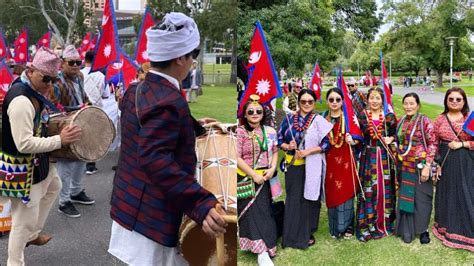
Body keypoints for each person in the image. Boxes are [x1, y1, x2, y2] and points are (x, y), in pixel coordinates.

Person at [108, 12, 227, 265]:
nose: (193, 62)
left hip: (131, 207)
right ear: (180, 58)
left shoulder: (135, 89)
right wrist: (201, 203)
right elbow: (154, 158)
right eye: (193, 55)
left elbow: (147, 128)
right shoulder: (169, 102)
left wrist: (191, 125)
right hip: (150, 217)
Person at [1, 47, 81, 265]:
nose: (49, 84)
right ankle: (14, 261)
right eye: (45, 78)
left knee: (54, 186)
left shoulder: (35, 92)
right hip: (23, 167)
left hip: (40, 162)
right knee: (21, 221)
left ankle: (33, 234)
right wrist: (60, 141)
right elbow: (24, 144)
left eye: (54, 80)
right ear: (31, 70)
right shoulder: (21, 101)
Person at [278, 89, 332, 249]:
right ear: (299, 102)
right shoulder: (288, 120)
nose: (307, 104)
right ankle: (291, 235)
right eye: (303, 101)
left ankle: (308, 231)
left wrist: (308, 151)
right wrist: (287, 145)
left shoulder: (319, 120)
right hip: (293, 166)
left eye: (310, 101)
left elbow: (326, 144)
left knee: (310, 199)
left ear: (314, 103)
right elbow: (279, 139)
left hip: (313, 166)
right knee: (294, 199)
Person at [50, 45, 94, 218]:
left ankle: (76, 192)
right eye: (72, 62)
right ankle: (64, 201)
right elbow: (53, 108)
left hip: (81, 122)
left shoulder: (80, 76)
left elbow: (83, 96)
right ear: (62, 64)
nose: (76, 65)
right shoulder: (56, 81)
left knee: (82, 159)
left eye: (78, 62)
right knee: (66, 166)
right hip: (65, 126)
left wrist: (89, 106)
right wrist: (73, 112)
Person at [237, 94, 278, 266]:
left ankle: (267, 247)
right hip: (245, 177)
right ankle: (260, 251)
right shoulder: (239, 132)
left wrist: (272, 169)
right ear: (245, 114)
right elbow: (236, 156)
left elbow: (275, 152)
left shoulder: (269, 131)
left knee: (264, 212)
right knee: (250, 213)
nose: (255, 114)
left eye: (258, 111)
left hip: (265, 178)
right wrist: (253, 175)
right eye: (251, 111)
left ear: (263, 113)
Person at [432, 87, 473, 252]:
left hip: (466, 162)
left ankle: (466, 231)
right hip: (446, 162)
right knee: (447, 194)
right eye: (451, 99)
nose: (455, 102)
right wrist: (436, 164)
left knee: (465, 193)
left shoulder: (469, 119)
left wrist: (461, 144)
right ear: (446, 101)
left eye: (458, 99)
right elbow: (433, 143)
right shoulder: (440, 119)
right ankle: (445, 228)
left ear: (464, 101)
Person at [356, 87, 397, 242]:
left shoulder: (389, 117)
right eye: (372, 98)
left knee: (385, 187)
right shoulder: (361, 116)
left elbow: (396, 134)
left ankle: (385, 221)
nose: (374, 101)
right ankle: (368, 223)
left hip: (385, 155)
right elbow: (357, 135)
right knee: (369, 187)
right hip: (369, 156)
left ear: (382, 100)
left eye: (378, 98)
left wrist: (391, 139)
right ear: (367, 99)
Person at [395, 93, 437, 244]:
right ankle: (406, 228)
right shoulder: (401, 121)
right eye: (406, 103)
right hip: (405, 165)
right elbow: (398, 141)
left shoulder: (424, 120)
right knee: (407, 197)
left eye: (412, 103)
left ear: (418, 105)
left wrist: (428, 166)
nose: (408, 106)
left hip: (420, 165)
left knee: (422, 198)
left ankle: (423, 230)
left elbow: (433, 143)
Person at [322, 88, 359, 239]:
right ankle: (335, 228)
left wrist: (354, 140)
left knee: (346, 190)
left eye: (338, 99)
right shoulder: (323, 118)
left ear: (343, 101)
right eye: (331, 99)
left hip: (346, 160)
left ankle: (348, 227)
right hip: (329, 161)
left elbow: (359, 137)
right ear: (327, 102)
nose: (335, 102)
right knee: (333, 192)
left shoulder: (350, 118)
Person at [81, 51, 110, 175]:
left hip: (81, 108)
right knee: (93, 137)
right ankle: (90, 165)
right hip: (96, 109)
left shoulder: (78, 74)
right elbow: (106, 94)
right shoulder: (100, 75)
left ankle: (79, 162)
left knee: (81, 135)